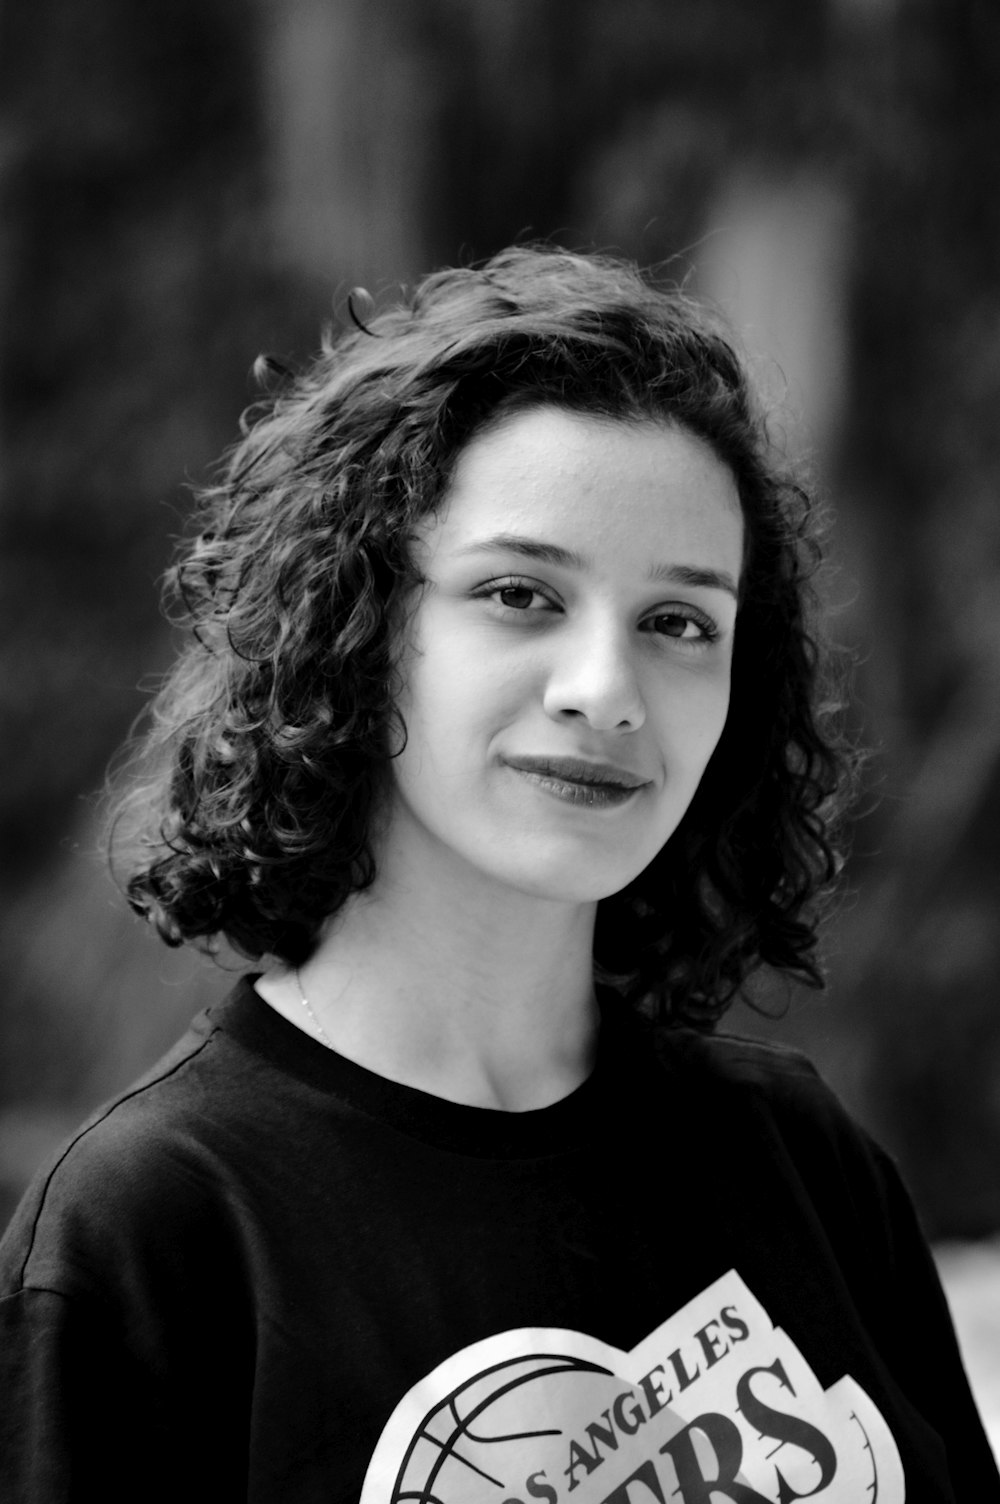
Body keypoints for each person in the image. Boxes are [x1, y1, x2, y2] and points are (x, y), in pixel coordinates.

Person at [0, 246, 995, 1504]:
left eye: (679, 621)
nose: (607, 691)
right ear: (355, 630)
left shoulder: (802, 1161)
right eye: (520, 594)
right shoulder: (154, 1231)